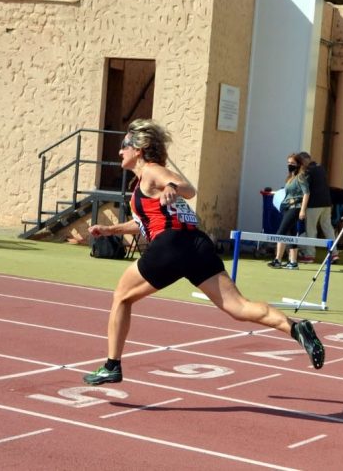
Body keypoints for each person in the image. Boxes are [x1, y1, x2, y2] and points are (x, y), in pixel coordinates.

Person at [82, 119, 325, 385]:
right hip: (196, 245)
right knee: (238, 307)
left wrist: (172, 188)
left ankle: (112, 365)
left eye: (124, 146)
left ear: (138, 149)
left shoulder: (152, 171)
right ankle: (296, 328)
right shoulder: (141, 184)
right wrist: (110, 230)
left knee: (121, 297)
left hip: (172, 245)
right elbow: (143, 224)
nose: (120, 152)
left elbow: (187, 188)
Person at [266, 153, 309, 270]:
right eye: (288, 163)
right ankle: (293, 262)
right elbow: (288, 193)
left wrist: (302, 211)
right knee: (291, 234)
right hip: (287, 208)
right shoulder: (290, 178)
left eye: (292, 163)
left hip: (295, 208)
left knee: (281, 232)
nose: (290, 165)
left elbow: (306, 193)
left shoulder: (300, 177)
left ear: (298, 164)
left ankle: (277, 260)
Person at [297, 151, 338, 263]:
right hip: (326, 203)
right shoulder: (321, 169)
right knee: (328, 228)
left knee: (311, 229)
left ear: (304, 161)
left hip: (314, 204)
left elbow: (304, 188)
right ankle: (334, 253)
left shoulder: (308, 171)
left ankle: (309, 255)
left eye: (300, 162)